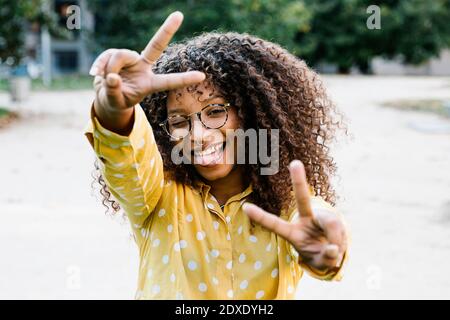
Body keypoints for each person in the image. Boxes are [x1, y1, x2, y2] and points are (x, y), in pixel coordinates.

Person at [85, 11, 349, 300]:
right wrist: (116, 110)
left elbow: (315, 222)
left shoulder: (286, 202)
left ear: (251, 115)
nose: (197, 134)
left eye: (215, 112)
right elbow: (127, 162)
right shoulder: (156, 194)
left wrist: (324, 248)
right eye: (179, 121)